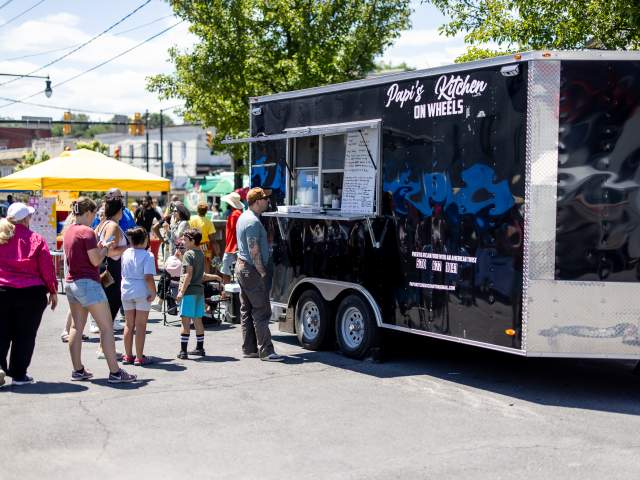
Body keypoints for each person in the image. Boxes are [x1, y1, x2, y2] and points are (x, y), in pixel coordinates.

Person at [64, 197, 136, 383]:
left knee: (76, 328)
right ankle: (115, 372)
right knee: (106, 328)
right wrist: (104, 249)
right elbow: (95, 260)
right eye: (94, 214)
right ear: (88, 213)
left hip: (72, 282)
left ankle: (78, 370)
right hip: (88, 283)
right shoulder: (87, 232)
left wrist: (100, 248)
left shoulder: (69, 231)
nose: (94, 218)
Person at [0, 203, 58, 386]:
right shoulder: (36, 238)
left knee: (1, 333)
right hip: (31, 293)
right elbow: (47, 269)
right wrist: (53, 290)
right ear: (25, 219)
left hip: (2, 290)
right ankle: (19, 374)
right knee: (25, 335)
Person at [235, 188, 283, 362]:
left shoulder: (243, 217)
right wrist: (262, 271)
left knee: (246, 310)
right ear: (256, 201)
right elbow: (253, 250)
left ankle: (249, 348)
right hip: (251, 269)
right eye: (264, 199)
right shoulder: (253, 222)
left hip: (242, 267)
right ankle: (266, 351)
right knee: (261, 311)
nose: (267, 202)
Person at [120, 227, 157, 366]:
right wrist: (154, 292)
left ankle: (128, 355)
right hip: (142, 291)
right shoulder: (148, 256)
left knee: (128, 325)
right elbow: (148, 277)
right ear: (145, 240)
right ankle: (139, 357)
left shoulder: (126, 253)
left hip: (126, 290)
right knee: (140, 325)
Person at [95, 196, 129, 334]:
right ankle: (104, 348)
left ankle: (104, 347)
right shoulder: (113, 226)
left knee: (108, 309)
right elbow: (109, 251)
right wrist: (128, 247)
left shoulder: (103, 223)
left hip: (106, 268)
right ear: (118, 210)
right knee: (110, 309)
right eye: (123, 208)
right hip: (112, 269)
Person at [176, 229, 206, 359]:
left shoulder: (189, 254)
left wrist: (181, 292)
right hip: (199, 291)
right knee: (198, 320)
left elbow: (188, 274)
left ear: (192, 241)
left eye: (185, 239)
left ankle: (183, 351)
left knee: (185, 322)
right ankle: (200, 348)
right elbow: (196, 271)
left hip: (189, 292)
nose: (183, 242)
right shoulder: (200, 253)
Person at [220, 191, 244, 285]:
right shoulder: (240, 214)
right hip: (236, 248)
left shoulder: (234, 215)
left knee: (226, 273)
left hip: (231, 249)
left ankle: (227, 294)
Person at [189, 202, 216, 273]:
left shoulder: (191, 219)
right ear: (206, 211)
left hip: (192, 244)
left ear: (197, 210)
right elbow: (212, 238)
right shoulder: (209, 222)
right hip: (205, 246)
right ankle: (206, 280)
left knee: (192, 262)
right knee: (206, 263)